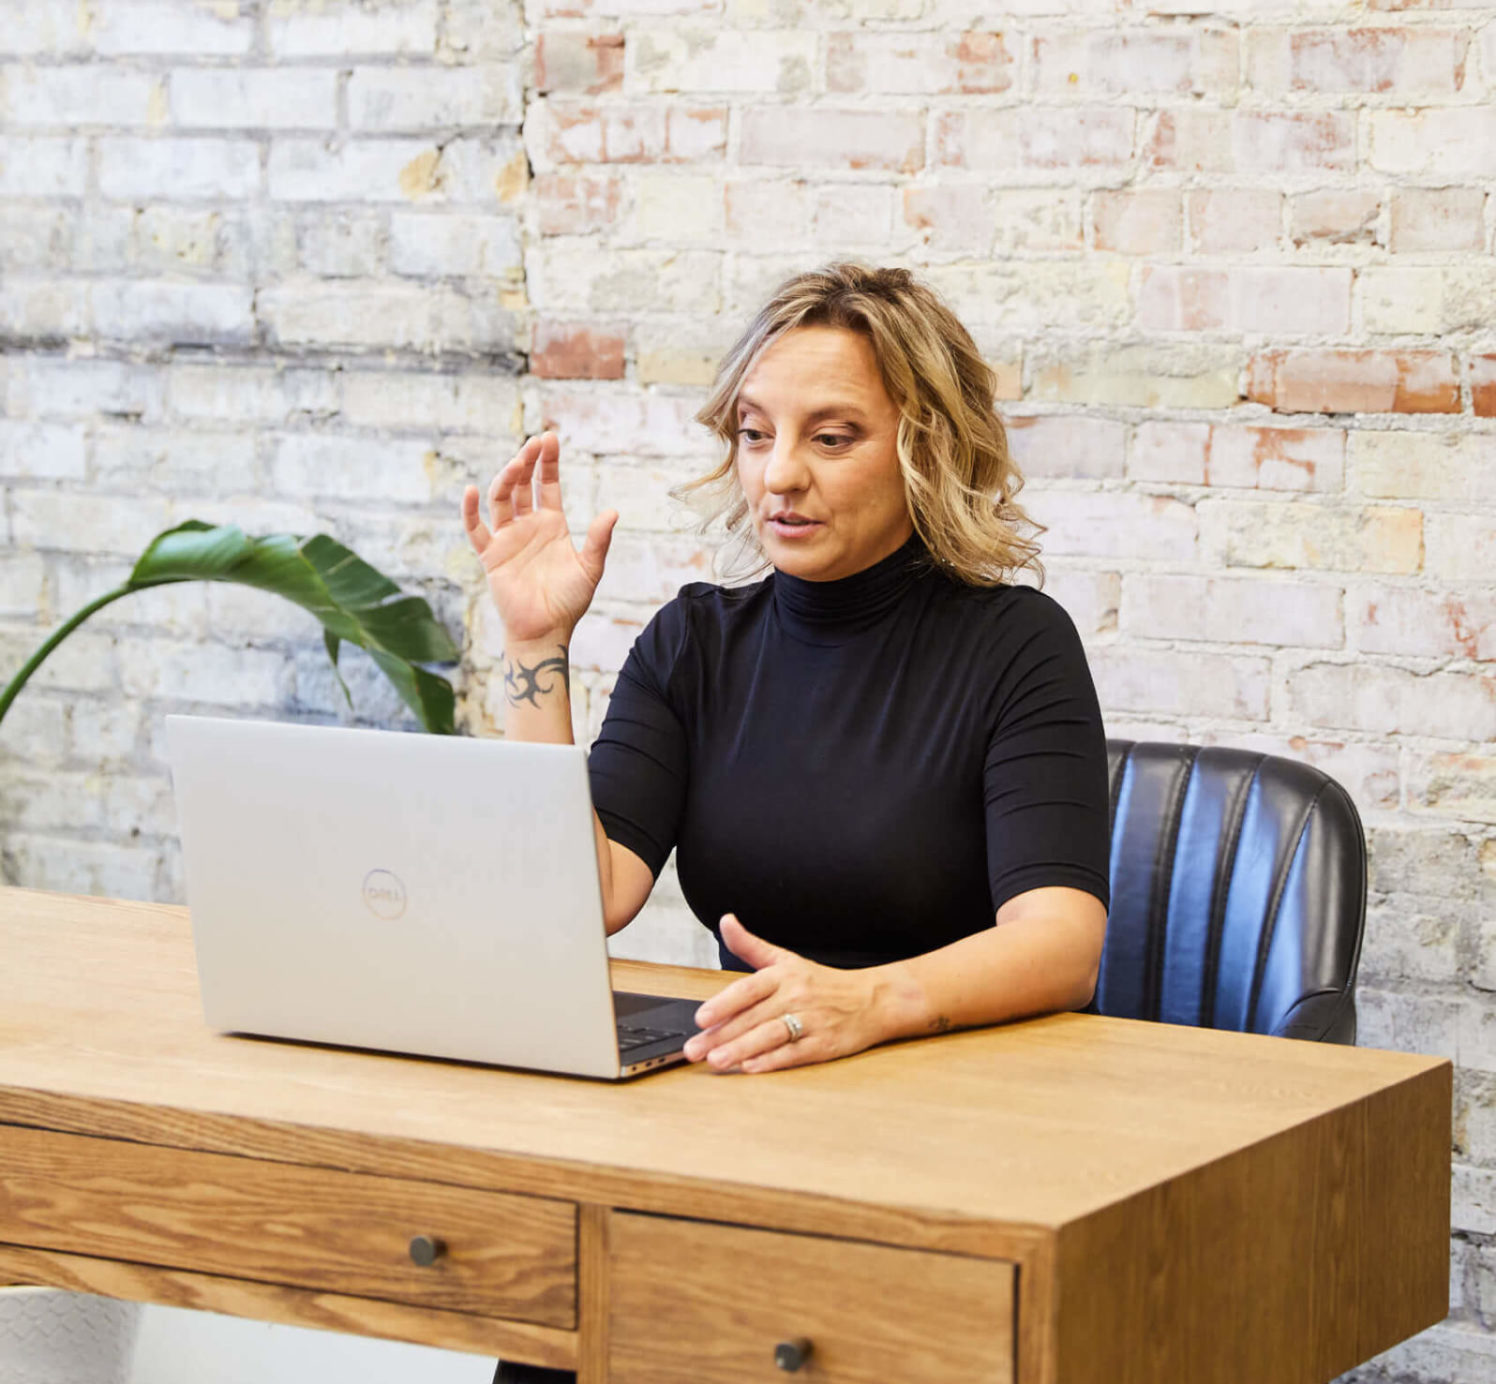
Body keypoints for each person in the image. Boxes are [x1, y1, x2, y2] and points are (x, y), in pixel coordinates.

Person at [460, 261, 1110, 1084]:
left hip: (970, 1086)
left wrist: (864, 1004)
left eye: (831, 438)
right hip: (760, 1081)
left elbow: (1061, 945)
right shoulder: (692, 644)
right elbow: (577, 900)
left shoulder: (1017, 644)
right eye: (755, 433)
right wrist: (534, 644)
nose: (779, 476)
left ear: (927, 449)